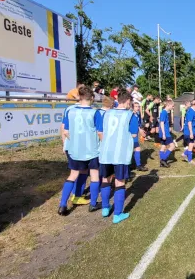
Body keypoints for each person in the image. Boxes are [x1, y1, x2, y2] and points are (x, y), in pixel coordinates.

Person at [98, 89, 139, 224]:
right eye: (130, 103)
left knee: (105, 179)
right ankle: (118, 214)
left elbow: (100, 132)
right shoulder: (130, 115)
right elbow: (133, 135)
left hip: (105, 152)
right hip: (120, 154)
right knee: (119, 181)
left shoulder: (105, 114)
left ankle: (105, 208)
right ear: (127, 102)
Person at [58, 86, 100, 216]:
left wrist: (65, 144)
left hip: (75, 149)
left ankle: (63, 205)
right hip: (92, 149)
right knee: (94, 175)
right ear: (92, 98)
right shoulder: (95, 112)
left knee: (73, 174)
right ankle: (93, 204)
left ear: (79, 97)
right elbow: (100, 132)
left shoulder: (70, 110)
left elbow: (65, 130)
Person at [158, 98, 176, 167]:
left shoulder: (166, 112)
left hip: (165, 132)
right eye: (173, 106)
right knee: (172, 146)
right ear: (168, 105)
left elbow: (165, 123)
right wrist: (164, 134)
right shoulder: (164, 112)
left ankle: (162, 162)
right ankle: (163, 159)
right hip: (165, 133)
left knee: (163, 146)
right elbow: (161, 123)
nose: (173, 107)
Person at [182, 99, 195, 165]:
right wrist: (191, 133)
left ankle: (185, 153)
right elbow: (189, 123)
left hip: (194, 130)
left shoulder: (193, 111)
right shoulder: (190, 112)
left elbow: (192, 122)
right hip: (189, 131)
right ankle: (190, 160)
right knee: (191, 145)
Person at [132, 102, 148, 171]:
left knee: (137, 148)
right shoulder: (129, 114)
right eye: (136, 106)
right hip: (129, 135)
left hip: (135, 135)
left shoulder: (137, 114)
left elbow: (138, 124)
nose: (138, 108)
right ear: (132, 107)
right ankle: (129, 166)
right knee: (130, 150)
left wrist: (141, 131)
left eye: (138, 106)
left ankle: (138, 165)